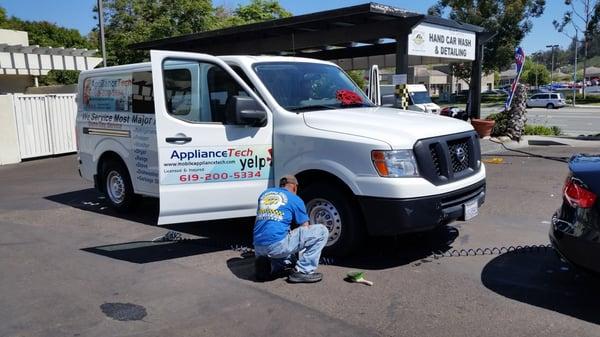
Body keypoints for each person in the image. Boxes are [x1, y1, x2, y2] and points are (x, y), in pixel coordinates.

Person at [253, 175, 329, 283]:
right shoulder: (295, 198)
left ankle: (269, 267)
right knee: (321, 231)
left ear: (281, 186)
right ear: (294, 187)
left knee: (288, 258)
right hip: (276, 245)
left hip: (258, 247)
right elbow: (305, 227)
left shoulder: (264, 194)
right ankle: (303, 271)